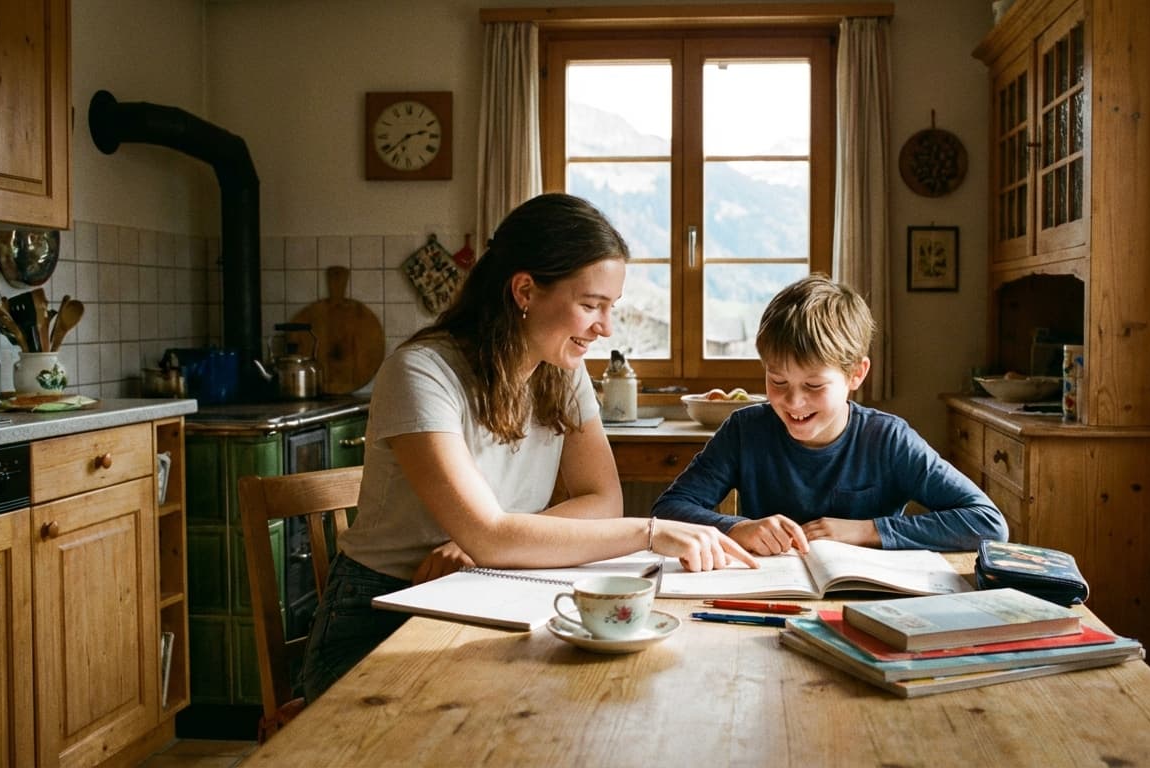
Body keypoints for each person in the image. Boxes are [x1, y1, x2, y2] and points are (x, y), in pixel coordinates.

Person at [302, 193, 755, 701]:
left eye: (610, 308)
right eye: (590, 305)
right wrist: (648, 533)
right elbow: (493, 533)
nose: (605, 327)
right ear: (524, 290)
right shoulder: (422, 372)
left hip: (493, 587)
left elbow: (600, 500)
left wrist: (494, 548)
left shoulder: (564, 371)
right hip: (382, 609)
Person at [651, 274, 1007, 556]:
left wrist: (867, 530)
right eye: (777, 380)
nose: (793, 401)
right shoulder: (745, 431)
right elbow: (667, 510)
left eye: (814, 385)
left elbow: (988, 523)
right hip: (771, 593)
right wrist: (736, 527)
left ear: (856, 374)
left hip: (866, 602)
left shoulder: (888, 440)